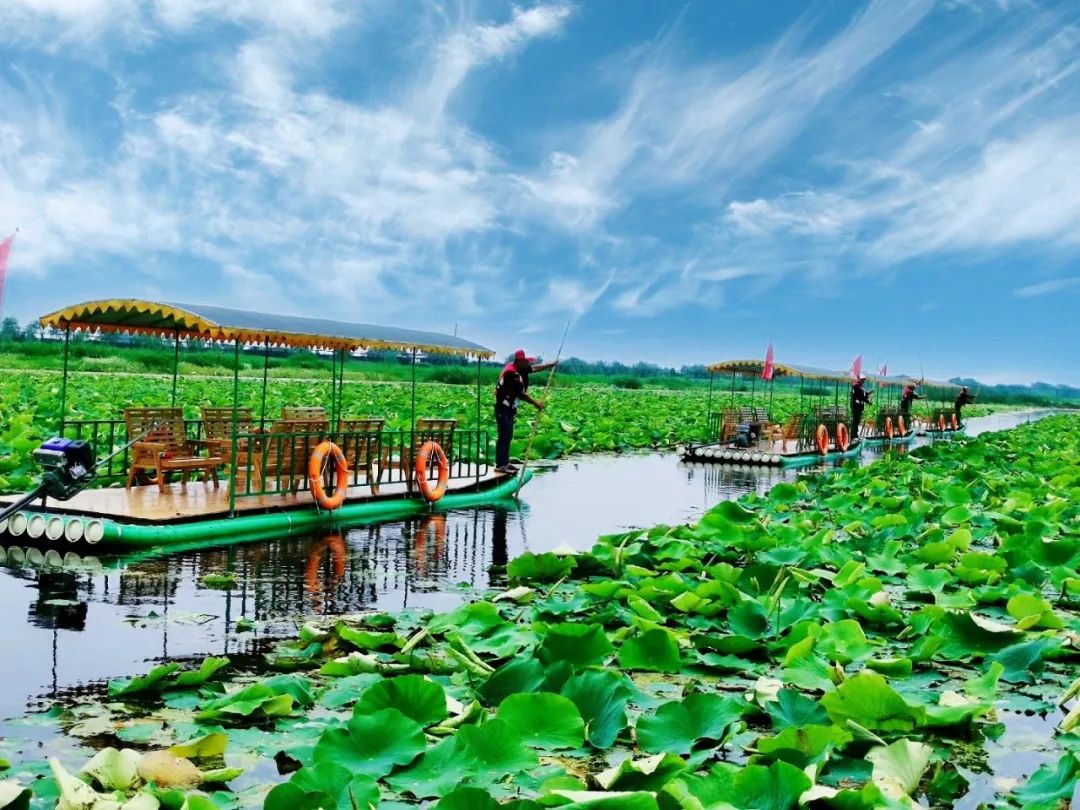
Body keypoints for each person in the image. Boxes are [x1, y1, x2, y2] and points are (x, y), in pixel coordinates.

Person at [493, 349, 557, 474]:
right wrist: (536, 404)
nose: (528, 363)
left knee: (508, 436)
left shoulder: (519, 368)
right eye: (526, 361)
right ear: (519, 361)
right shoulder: (511, 373)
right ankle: (500, 465)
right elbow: (521, 394)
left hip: (510, 409)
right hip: (503, 408)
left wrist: (549, 365)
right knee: (504, 437)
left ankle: (505, 463)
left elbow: (535, 368)